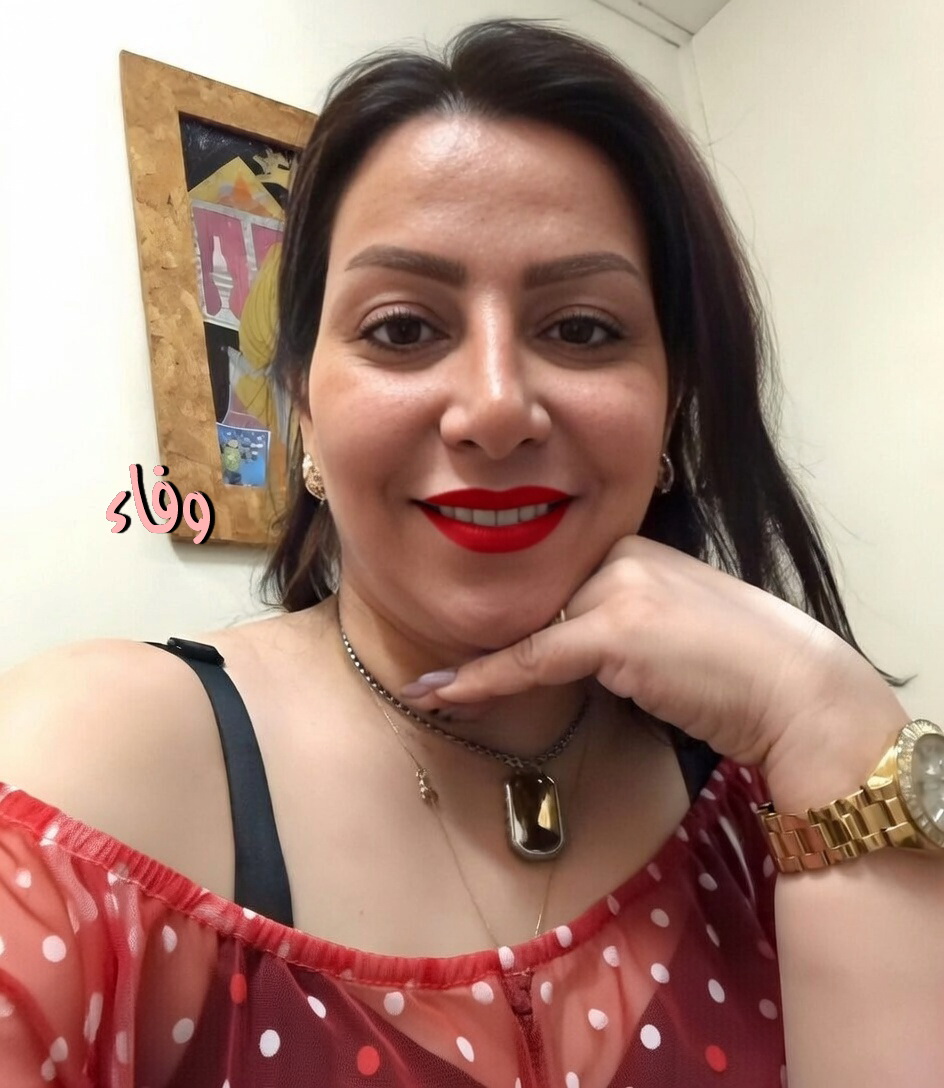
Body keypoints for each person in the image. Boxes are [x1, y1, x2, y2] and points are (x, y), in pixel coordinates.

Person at [1, 18, 941, 1088]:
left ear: (670, 405)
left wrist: (828, 715)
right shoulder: (97, 764)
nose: (495, 408)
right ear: (302, 404)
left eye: (581, 328)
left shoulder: (777, 784)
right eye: (403, 328)